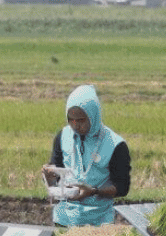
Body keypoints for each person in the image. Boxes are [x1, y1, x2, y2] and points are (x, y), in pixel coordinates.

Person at [41, 84, 130, 227]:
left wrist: (94, 191)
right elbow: (56, 175)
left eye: (81, 120)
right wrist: (49, 177)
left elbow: (122, 187)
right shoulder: (63, 136)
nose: (75, 125)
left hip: (98, 222)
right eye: (71, 119)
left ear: (93, 115)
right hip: (64, 219)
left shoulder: (115, 145)